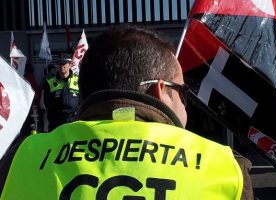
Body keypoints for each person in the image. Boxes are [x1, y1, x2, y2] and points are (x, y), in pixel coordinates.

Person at [0, 25, 252, 199]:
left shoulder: (22, 158)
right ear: (159, 91)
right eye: (182, 93)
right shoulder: (223, 168)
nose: (185, 107)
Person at [43, 53, 80, 131]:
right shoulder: (50, 81)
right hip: (56, 123)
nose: (61, 66)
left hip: (74, 121)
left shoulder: (78, 80)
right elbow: (47, 103)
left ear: (70, 65)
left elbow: (82, 101)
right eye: (59, 64)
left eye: (64, 63)